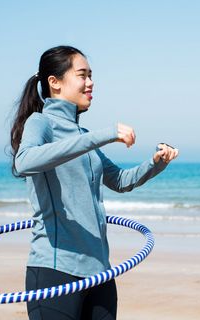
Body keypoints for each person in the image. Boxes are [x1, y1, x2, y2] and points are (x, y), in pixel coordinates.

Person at [9, 45, 178, 320]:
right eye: (82, 75)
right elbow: (24, 162)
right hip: (55, 270)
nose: (91, 83)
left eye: (91, 76)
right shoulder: (41, 124)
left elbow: (121, 181)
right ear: (55, 83)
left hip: (100, 273)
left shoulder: (82, 135)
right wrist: (105, 135)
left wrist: (157, 162)